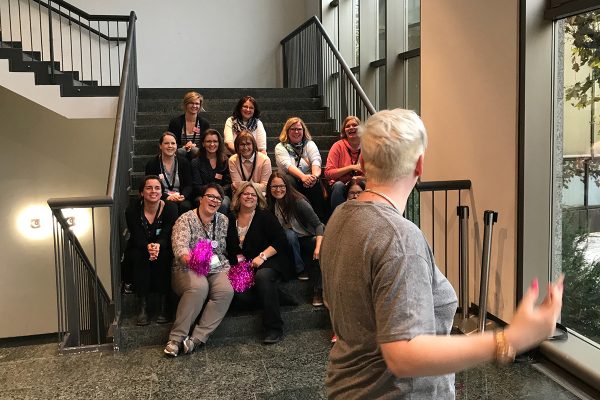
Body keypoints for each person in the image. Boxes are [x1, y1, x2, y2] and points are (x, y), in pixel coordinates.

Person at [320, 108, 564, 399]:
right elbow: (404, 355)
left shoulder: (339, 218)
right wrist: (509, 338)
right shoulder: (400, 238)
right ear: (420, 164)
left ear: (362, 162)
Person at [164, 183, 234, 357]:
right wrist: (194, 261)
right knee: (199, 287)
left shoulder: (223, 220)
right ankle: (176, 339)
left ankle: (197, 338)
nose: (214, 201)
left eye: (218, 198)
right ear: (201, 199)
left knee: (226, 290)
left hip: (216, 267)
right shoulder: (185, 219)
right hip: (188, 266)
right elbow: (180, 248)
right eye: (210, 196)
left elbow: (226, 248)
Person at [226, 182, 293, 344]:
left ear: (258, 199)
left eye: (253, 194)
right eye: (246, 194)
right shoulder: (230, 218)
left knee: (263, 277)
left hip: (270, 260)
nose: (249, 197)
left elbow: (281, 240)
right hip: (246, 266)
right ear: (238, 197)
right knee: (240, 296)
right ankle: (277, 296)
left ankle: (274, 328)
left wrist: (262, 256)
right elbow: (230, 247)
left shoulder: (264, 216)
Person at [125, 175, 178, 326]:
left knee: (165, 256)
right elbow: (136, 235)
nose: (153, 191)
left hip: (163, 245)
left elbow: (167, 233)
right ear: (141, 192)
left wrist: (158, 245)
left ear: (162, 192)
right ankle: (142, 305)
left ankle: (163, 305)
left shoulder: (171, 208)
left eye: (157, 188)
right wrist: (147, 247)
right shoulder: (132, 209)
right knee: (139, 256)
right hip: (139, 245)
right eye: (148, 188)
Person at [266, 172, 324, 306]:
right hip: (291, 241)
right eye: (274, 187)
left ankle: (318, 291)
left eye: (281, 186)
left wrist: (318, 247)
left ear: (287, 186)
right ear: (269, 188)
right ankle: (299, 269)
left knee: (318, 253)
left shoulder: (299, 202)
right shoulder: (272, 204)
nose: (278, 189)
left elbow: (318, 225)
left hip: (309, 237)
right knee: (288, 234)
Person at [274, 117, 328, 222]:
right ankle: (296, 219)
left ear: (303, 131)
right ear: (287, 131)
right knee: (289, 180)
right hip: (291, 180)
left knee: (315, 182)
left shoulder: (309, 144)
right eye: (293, 129)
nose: (296, 132)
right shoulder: (280, 147)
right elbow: (287, 165)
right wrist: (303, 177)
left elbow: (316, 161)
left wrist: (314, 177)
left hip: (308, 181)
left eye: (299, 129)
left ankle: (320, 220)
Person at [145, 132, 193, 215]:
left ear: (176, 146)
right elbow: (149, 186)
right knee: (171, 206)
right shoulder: (152, 164)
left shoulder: (184, 162)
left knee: (185, 206)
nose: (170, 146)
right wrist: (167, 197)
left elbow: (189, 185)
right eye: (166, 143)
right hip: (160, 196)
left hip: (180, 196)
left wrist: (183, 195)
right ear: (160, 146)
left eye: (173, 143)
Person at [324, 115, 364, 211]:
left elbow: (374, 176)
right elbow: (328, 173)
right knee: (338, 186)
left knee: (366, 185)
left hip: (360, 183)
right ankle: (339, 218)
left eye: (354, 125)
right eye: (347, 126)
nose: (351, 128)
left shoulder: (367, 147)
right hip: (341, 185)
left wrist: (359, 178)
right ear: (344, 131)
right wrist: (351, 167)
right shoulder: (338, 146)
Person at [191, 129, 231, 213]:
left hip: (221, 195)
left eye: (215, 141)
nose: (212, 144)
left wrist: (217, 194)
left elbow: (228, 183)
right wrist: (210, 195)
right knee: (203, 202)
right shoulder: (196, 162)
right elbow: (197, 186)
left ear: (219, 143)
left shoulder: (225, 161)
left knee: (222, 204)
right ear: (203, 143)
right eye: (208, 141)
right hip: (203, 195)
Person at [167, 91, 210, 159]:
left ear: (200, 106)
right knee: (181, 151)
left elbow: (208, 142)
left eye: (197, 103)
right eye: (191, 103)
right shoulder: (175, 122)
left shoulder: (204, 123)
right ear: (186, 104)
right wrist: (184, 147)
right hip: (180, 156)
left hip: (198, 157)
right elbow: (169, 141)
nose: (194, 106)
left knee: (195, 150)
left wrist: (194, 146)